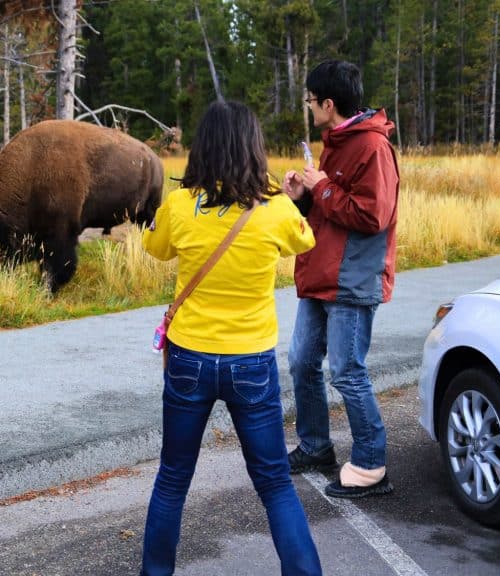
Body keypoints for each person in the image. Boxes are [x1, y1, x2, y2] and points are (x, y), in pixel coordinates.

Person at [140, 100, 321, 576]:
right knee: (275, 483)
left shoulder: (180, 204)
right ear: (253, 148)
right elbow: (305, 240)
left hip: (188, 358)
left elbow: (154, 247)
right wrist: (295, 195)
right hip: (251, 362)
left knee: (173, 479)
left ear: (203, 148)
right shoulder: (276, 209)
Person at [283, 60, 400, 498]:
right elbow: (329, 210)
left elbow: (373, 215)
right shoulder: (337, 141)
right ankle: (316, 446)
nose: (309, 107)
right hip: (321, 272)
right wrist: (303, 196)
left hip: (351, 278)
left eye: (312, 100)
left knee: (348, 371)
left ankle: (371, 464)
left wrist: (323, 185)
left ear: (328, 104)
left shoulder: (371, 147)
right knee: (301, 361)